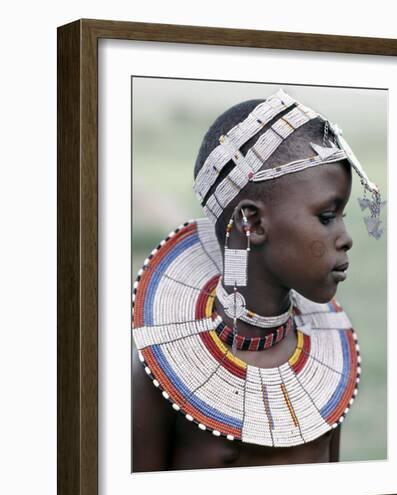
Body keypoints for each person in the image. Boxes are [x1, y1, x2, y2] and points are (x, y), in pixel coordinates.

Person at [131, 89, 384, 471]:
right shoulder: (159, 372)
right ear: (251, 222)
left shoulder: (333, 364)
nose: (346, 237)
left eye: (343, 214)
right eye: (328, 216)